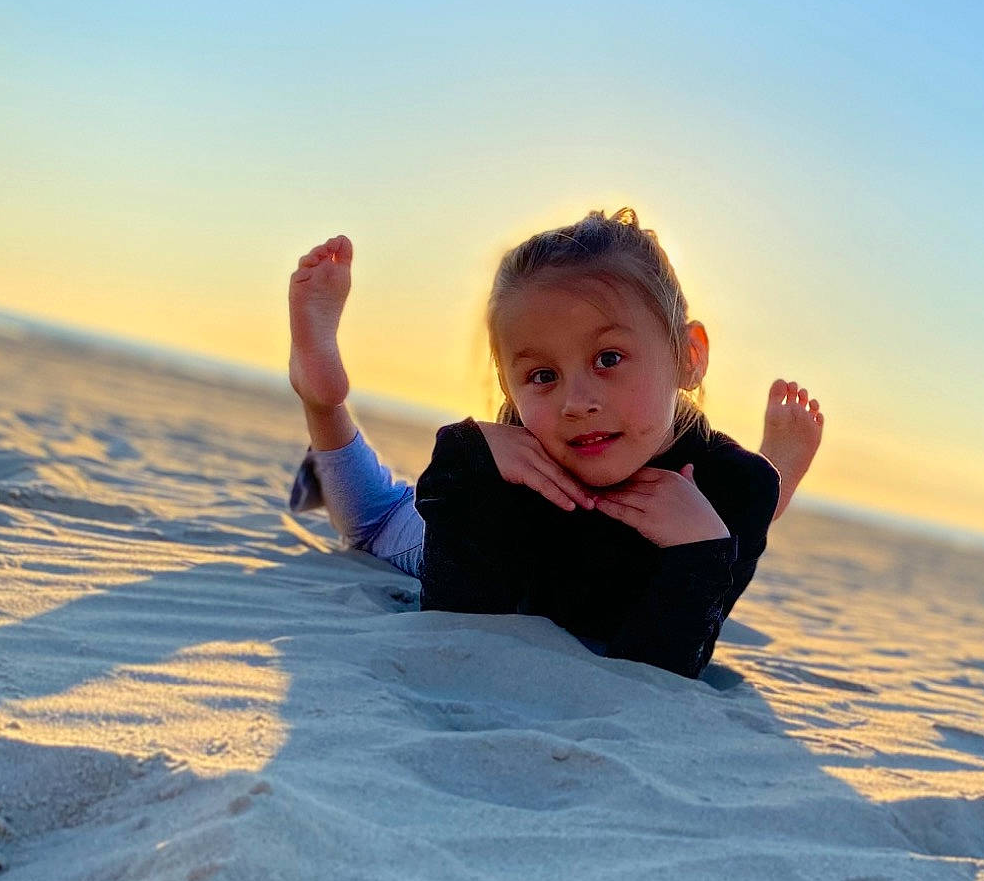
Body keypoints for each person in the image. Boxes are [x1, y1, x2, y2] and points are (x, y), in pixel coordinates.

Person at [286, 209, 825, 678]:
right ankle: (322, 401)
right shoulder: (524, 447)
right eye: (542, 375)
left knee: (746, 502)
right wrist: (465, 459)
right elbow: (459, 618)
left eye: (608, 359)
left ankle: (776, 473)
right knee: (375, 522)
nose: (575, 402)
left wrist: (700, 552)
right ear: (509, 386)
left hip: (707, 507)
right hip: (522, 570)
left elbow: (661, 672)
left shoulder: (735, 490)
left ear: (688, 356)